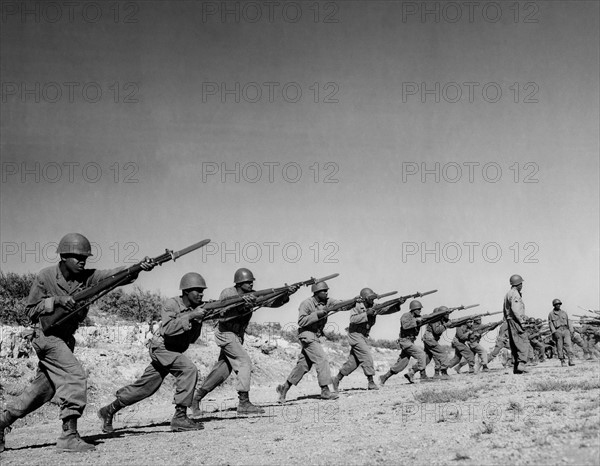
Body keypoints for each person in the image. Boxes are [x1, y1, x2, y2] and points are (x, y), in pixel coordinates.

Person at [0, 233, 154, 453]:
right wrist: (56, 301)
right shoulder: (46, 277)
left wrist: (138, 267)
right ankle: (68, 436)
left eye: (85, 258)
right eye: (77, 257)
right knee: (75, 375)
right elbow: (30, 310)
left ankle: (2, 422)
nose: (82, 261)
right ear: (63, 257)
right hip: (45, 335)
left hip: (64, 339)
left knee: (43, 390)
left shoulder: (87, 277)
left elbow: (114, 275)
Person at [98, 272, 208, 433]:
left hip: (174, 350)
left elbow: (192, 339)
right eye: (197, 290)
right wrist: (191, 316)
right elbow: (168, 329)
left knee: (146, 387)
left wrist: (197, 320)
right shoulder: (171, 304)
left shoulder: (196, 309)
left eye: (202, 290)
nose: (201, 294)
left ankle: (109, 410)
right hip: (162, 348)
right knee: (188, 369)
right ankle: (180, 417)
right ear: (185, 291)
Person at [192, 268, 296, 415]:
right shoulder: (228, 293)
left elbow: (272, 302)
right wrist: (242, 304)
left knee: (221, 372)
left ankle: (195, 398)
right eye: (248, 282)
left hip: (237, 336)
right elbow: (223, 310)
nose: (251, 284)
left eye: (251, 282)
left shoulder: (251, 295)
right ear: (239, 283)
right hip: (225, 333)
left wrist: (286, 294)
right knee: (244, 362)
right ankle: (244, 403)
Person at [276, 281, 344, 402]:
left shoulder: (327, 301)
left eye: (327, 290)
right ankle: (325, 390)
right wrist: (317, 314)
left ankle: (284, 388)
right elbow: (301, 321)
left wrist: (354, 302)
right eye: (324, 291)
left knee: (303, 365)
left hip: (316, 336)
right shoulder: (306, 303)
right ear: (317, 292)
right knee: (321, 359)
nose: (326, 292)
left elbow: (341, 304)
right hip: (307, 335)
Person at [332, 288, 400, 391]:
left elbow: (385, 309)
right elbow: (353, 319)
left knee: (353, 362)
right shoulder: (357, 306)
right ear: (364, 298)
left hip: (363, 336)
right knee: (366, 355)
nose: (373, 301)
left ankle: (337, 379)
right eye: (371, 298)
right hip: (355, 334)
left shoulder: (374, 307)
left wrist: (397, 304)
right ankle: (371, 382)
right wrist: (366, 314)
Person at [379, 300, 427, 385]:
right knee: (421, 354)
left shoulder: (417, 317)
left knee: (402, 363)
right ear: (413, 309)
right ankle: (413, 373)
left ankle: (384, 377)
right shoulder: (406, 316)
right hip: (405, 341)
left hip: (410, 341)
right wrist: (417, 321)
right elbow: (405, 326)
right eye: (418, 309)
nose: (420, 311)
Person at [503, 274, 529, 374]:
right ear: (518, 284)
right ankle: (522, 364)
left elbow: (505, 310)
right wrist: (522, 321)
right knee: (523, 341)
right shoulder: (515, 294)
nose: (522, 285)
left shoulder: (508, 294)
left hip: (510, 320)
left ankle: (516, 367)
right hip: (516, 320)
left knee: (514, 343)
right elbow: (516, 309)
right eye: (521, 283)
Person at [420, 307, 451, 379]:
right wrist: (446, 325)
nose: (448, 315)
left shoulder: (440, 320)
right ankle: (444, 372)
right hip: (430, 339)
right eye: (446, 314)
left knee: (427, 358)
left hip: (430, 338)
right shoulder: (435, 319)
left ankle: (412, 371)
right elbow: (436, 331)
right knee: (442, 353)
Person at [547, 299, 575, 367]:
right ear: (554, 305)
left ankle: (570, 359)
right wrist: (554, 332)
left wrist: (571, 330)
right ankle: (562, 360)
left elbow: (568, 321)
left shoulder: (564, 313)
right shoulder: (551, 314)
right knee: (560, 346)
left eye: (559, 304)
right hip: (558, 331)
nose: (558, 305)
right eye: (556, 304)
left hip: (566, 330)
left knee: (568, 345)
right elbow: (551, 324)